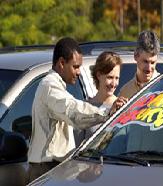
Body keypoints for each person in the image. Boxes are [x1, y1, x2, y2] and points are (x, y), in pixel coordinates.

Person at [27, 37, 126, 183]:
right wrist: (106, 113)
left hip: (55, 169)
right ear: (61, 63)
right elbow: (73, 110)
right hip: (46, 170)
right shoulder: (49, 86)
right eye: (75, 66)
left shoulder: (54, 86)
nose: (79, 72)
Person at [74, 51, 123, 144]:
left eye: (117, 78)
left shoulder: (122, 107)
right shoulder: (84, 108)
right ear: (99, 75)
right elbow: (76, 148)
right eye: (110, 77)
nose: (114, 84)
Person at [119, 30, 160, 99]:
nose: (149, 68)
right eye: (145, 61)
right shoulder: (125, 92)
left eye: (152, 63)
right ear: (136, 56)